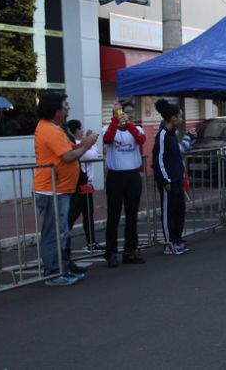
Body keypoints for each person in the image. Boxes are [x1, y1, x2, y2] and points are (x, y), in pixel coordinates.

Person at [34, 93, 98, 286]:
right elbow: (69, 156)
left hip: (59, 189)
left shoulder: (55, 128)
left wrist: (83, 143)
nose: (68, 107)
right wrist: (86, 145)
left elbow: (71, 149)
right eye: (65, 105)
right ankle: (54, 273)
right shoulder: (49, 130)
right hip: (52, 190)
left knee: (60, 231)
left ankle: (61, 269)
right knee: (54, 233)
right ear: (56, 109)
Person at [101, 101, 146, 268]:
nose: (128, 116)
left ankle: (130, 251)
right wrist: (115, 120)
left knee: (132, 215)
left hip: (132, 176)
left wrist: (129, 124)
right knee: (113, 215)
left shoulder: (137, 129)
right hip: (115, 177)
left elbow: (141, 140)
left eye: (131, 114)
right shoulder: (108, 128)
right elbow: (107, 139)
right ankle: (111, 252)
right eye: (125, 113)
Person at [153, 99, 196, 255]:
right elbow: (158, 159)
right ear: (173, 118)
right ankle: (169, 243)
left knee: (179, 210)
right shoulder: (163, 135)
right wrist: (165, 180)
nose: (182, 120)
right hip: (168, 181)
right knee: (169, 212)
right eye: (180, 117)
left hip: (177, 179)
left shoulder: (172, 135)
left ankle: (177, 240)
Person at [66, 119, 103, 253]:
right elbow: (92, 155)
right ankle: (66, 244)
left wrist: (87, 140)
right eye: (81, 129)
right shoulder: (77, 145)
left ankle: (91, 242)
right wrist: (91, 143)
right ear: (76, 130)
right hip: (80, 184)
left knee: (88, 214)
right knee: (75, 215)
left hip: (86, 184)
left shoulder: (79, 144)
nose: (82, 131)